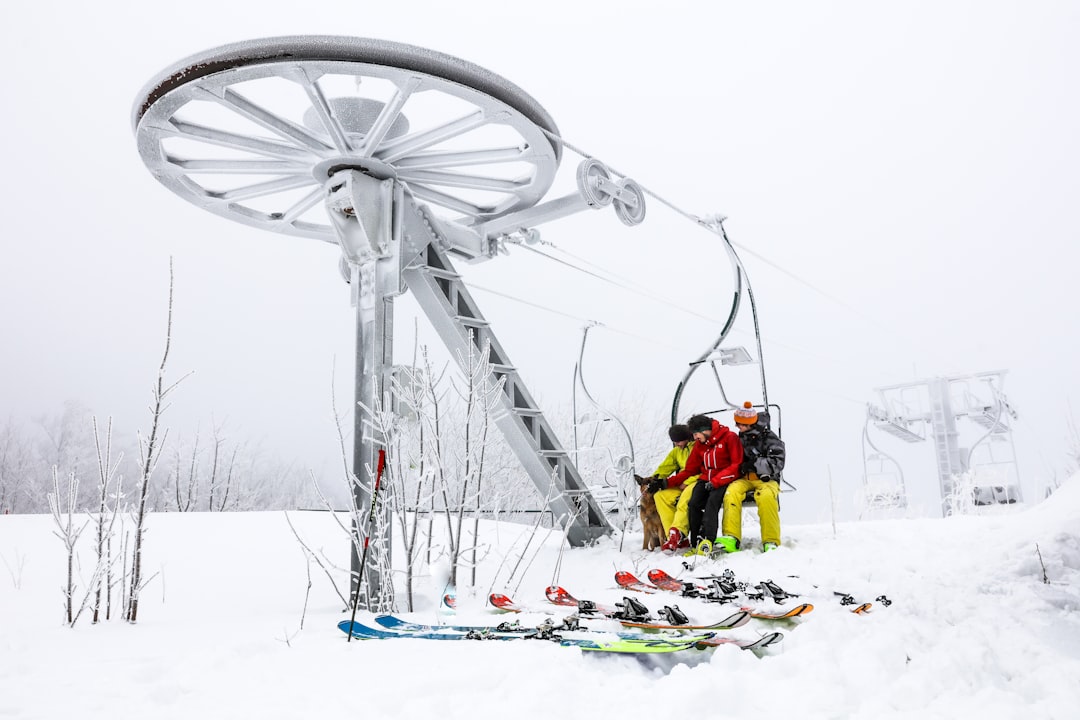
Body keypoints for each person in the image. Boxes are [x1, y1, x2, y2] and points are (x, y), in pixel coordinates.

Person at [663, 413, 743, 551]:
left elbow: (736, 465)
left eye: (696, 434)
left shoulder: (730, 438)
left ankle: (708, 539)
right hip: (706, 479)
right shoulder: (701, 445)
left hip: (724, 479)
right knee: (694, 503)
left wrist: (717, 481)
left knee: (712, 502)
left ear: (705, 430)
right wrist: (667, 483)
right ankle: (695, 541)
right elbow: (690, 469)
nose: (695, 438)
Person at [717, 401, 786, 553]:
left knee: (766, 497)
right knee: (731, 493)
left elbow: (778, 462)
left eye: (740, 424)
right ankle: (731, 536)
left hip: (765, 479)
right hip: (745, 479)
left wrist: (754, 464)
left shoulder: (769, 438)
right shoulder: (740, 438)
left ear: (750, 423)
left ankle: (771, 541)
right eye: (736, 423)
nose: (737, 427)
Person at [645, 424, 699, 552]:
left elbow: (704, 470)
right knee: (660, 496)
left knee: (685, 498)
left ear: (687, 438)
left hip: (697, 482)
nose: (677, 444)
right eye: (674, 442)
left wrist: (688, 481)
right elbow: (665, 468)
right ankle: (673, 537)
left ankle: (679, 531)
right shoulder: (676, 452)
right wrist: (654, 481)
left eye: (679, 441)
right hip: (681, 483)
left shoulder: (698, 448)